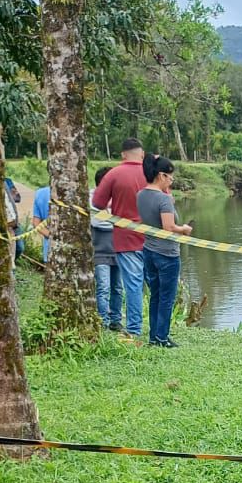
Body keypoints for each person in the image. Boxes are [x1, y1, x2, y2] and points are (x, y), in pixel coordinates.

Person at [91, 138, 147, 340]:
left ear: (123, 154)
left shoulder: (114, 174)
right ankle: (159, 329)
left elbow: (97, 203)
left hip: (125, 239)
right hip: (154, 239)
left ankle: (134, 329)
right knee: (153, 285)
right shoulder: (152, 174)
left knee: (132, 285)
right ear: (142, 153)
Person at [136, 154, 192, 348]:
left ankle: (154, 336)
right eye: (170, 177)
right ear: (161, 175)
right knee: (167, 297)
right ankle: (162, 338)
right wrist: (184, 229)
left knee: (156, 295)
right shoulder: (163, 199)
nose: (171, 180)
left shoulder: (141, 195)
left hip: (148, 251)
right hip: (167, 254)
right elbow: (168, 227)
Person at [91, 167, 123, 332]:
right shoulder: (93, 198)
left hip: (119, 251)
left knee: (118, 288)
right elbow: (98, 222)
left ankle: (116, 321)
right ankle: (103, 322)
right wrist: (118, 221)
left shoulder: (119, 198)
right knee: (103, 287)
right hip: (100, 252)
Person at [31, 183, 51, 262]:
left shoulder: (40, 193)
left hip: (49, 248)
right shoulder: (76, 194)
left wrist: (50, 235)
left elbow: (36, 223)